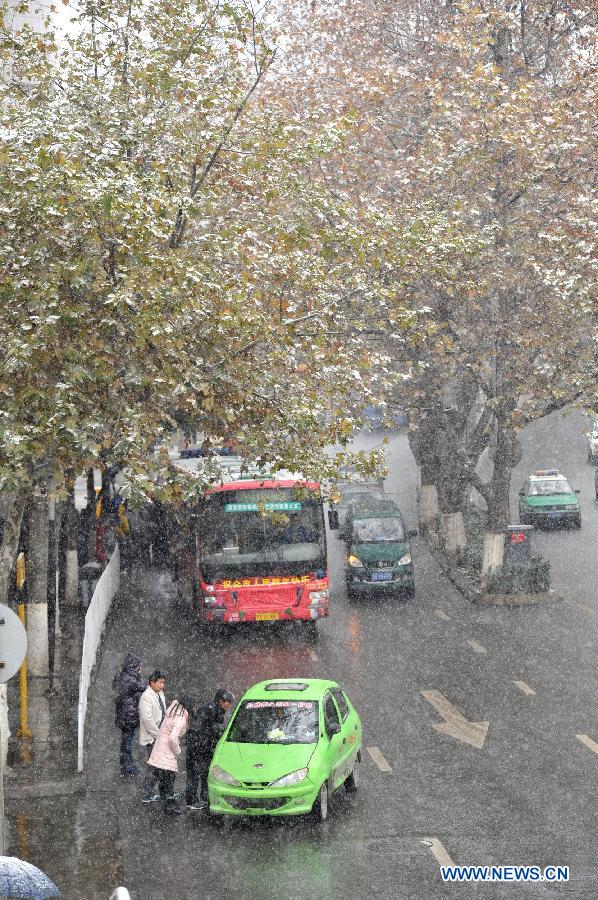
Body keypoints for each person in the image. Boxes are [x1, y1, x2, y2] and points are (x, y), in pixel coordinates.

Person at [185, 689, 235, 811]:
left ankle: (203, 796)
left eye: (230, 702)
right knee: (194, 774)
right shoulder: (211, 710)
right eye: (227, 702)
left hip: (203, 747)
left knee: (204, 773)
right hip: (197, 747)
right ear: (220, 701)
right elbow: (203, 729)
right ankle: (191, 800)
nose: (229, 705)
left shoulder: (217, 710)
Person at [148, 696, 193, 816]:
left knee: (163, 781)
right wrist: (178, 751)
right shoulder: (181, 719)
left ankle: (166, 806)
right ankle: (171, 808)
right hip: (166, 754)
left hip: (158, 750)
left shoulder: (172, 712)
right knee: (169, 782)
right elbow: (173, 738)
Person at [113, 654, 145, 776]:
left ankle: (125, 767)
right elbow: (144, 687)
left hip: (123, 714)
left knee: (125, 741)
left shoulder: (122, 676)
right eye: (139, 666)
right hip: (129, 715)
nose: (141, 668)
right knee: (127, 742)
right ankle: (128, 768)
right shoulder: (131, 679)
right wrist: (139, 675)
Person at [138, 670, 167, 803]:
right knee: (154, 767)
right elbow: (147, 720)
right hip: (152, 738)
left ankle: (149, 792)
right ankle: (147, 793)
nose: (162, 686)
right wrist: (159, 735)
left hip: (159, 735)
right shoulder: (146, 697)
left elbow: (163, 712)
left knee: (155, 766)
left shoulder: (160, 693)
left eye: (163, 683)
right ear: (152, 682)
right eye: (160, 682)